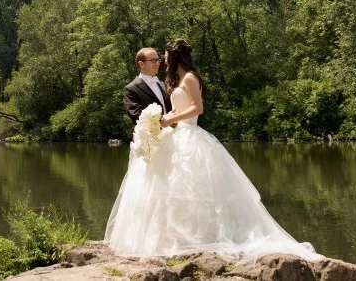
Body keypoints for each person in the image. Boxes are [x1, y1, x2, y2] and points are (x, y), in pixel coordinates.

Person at [105, 39, 322, 262]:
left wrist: (170, 119)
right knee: (174, 188)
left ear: (174, 57)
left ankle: (203, 236)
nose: (162, 61)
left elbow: (198, 108)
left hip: (190, 135)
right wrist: (165, 121)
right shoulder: (172, 81)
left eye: (164, 57)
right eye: (155, 59)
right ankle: (178, 236)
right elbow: (156, 112)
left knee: (195, 186)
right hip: (176, 135)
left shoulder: (189, 78)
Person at [122, 47, 170, 124]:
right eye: (153, 60)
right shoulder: (130, 89)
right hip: (148, 134)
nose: (157, 63)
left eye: (158, 60)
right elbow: (136, 115)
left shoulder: (162, 85)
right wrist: (161, 121)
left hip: (170, 132)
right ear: (141, 64)